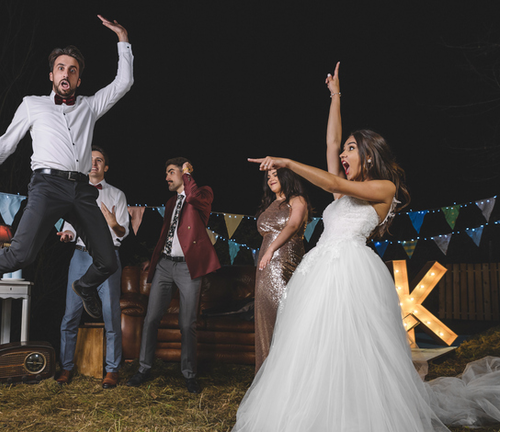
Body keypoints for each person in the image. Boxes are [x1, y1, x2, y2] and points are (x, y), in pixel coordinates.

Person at [234, 63, 499, 431]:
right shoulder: (341, 185)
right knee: (313, 347)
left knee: (349, 346)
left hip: (350, 272)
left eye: (352, 149)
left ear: (369, 156)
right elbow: (330, 144)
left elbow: (334, 182)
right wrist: (335, 96)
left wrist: (288, 161)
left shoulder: (383, 191)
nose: (343, 154)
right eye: (344, 150)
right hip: (318, 271)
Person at [0, 15, 134, 330]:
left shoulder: (90, 106)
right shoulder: (33, 105)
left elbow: (124, 83)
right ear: (51, 75)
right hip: (47, 186)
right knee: (19, 256)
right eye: (61, 68)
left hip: (82, 191)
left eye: (72, 70)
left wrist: (122, 38)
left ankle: (84, 286)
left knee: (108, 261)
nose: (66, 73)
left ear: (79, 80)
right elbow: (7, 141)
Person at [126, 157, 221, 394]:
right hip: (165, 265)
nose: (166, 177)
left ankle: (189, 374)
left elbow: (192, 197)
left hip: (189, 268)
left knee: (187, 323)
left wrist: (189, 175)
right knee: (150, 318)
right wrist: (154, 258)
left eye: (171, 172)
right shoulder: (169, 202)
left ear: (184, 172)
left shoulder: (203, 194)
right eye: (166, 173)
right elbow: (165, 235)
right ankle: (143, 368)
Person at [55, 145, 129, 389]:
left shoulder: (117, 194)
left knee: (110, 315)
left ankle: (112, 369)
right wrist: (66, 234)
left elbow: (123, 232)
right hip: (80, 257)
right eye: (91, 160)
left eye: (99, 160)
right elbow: (70, 227)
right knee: (70, 315)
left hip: (108, 259)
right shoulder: (75, 193)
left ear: (105, 167)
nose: (94, 164)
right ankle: (66, 367)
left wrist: (113, 223)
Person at [253, 168, 310, 373]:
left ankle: (288, 373)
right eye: (268, 177)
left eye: (275, 175)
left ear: (286, 177)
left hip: (284, 261)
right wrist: (266, 253)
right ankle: (266, 375)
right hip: (265, 265)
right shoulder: (270, 204)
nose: (270, 180)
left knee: (285, 315)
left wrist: (270, 249)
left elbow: (293, 225)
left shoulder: (298, 200)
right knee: (264, 314)